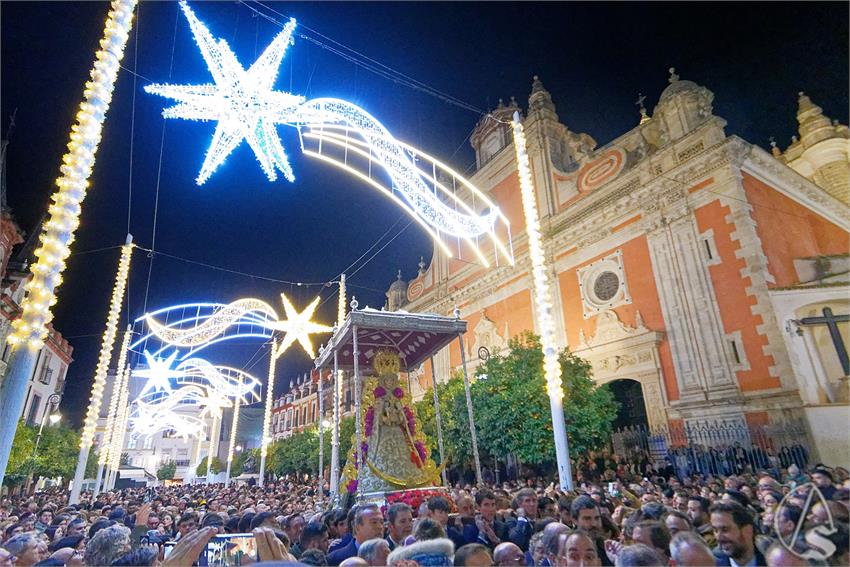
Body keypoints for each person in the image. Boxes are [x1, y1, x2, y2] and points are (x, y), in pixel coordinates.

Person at [710, 500, 766, 567]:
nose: (718, 537)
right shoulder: (711, 564)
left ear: (747, 530)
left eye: (725, 530)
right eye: (715, 530)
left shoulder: (772, 562)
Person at [572, 495, 611, 566]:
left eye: (597, 518)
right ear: (575, 520)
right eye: (587, 518)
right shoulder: (567, 550)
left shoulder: (608, 550)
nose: (594, 524)